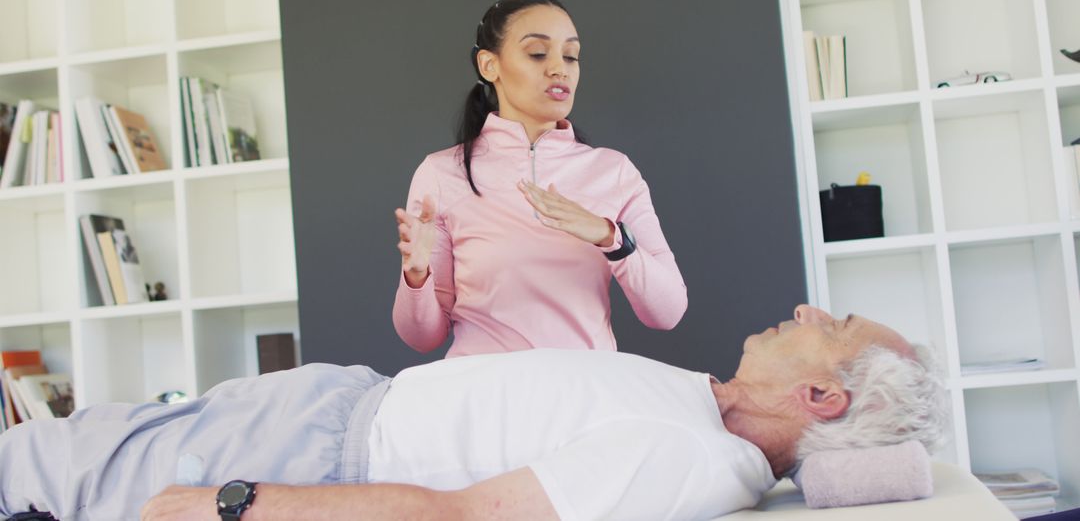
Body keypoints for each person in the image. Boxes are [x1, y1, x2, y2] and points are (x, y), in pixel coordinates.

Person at [0, 305, 946, 521]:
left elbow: (464, 519)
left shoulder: (686, 458)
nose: (808, 311)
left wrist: (233, 506)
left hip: (310, 453)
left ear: (821, 397)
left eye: (834, 326)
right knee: (43, 451)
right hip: (328, 406)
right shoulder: (703, 406)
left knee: (35, 471)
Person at [393, 0, 687, 356]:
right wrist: (417, 276)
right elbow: (422, 338)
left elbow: (668, 312)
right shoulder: (441, 173)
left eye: (571, 56)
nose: (559, 69)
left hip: (587, 397)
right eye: (537, 53)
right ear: (489, 65)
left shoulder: (614, 172)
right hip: (486, 396)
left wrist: (610, 236)